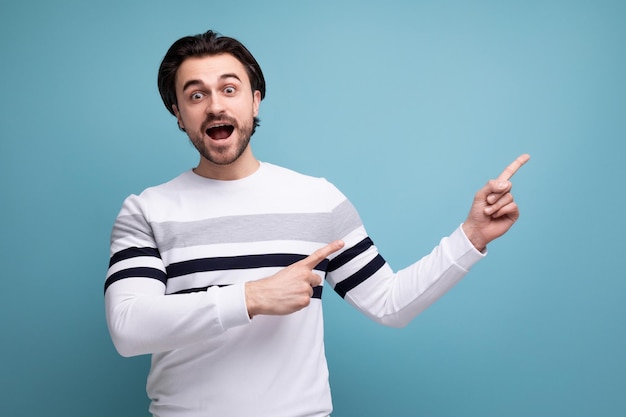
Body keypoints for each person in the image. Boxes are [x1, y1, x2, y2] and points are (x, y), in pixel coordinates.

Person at [104, 30, 529, 417]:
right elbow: (128, 327)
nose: (215, 104)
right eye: (196, 96)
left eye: (229, 89)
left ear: (254, 100)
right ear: (178, 113)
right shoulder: (147, 210)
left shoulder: (317, 199)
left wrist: (470, 238)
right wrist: (251, 297)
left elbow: (390, 304)